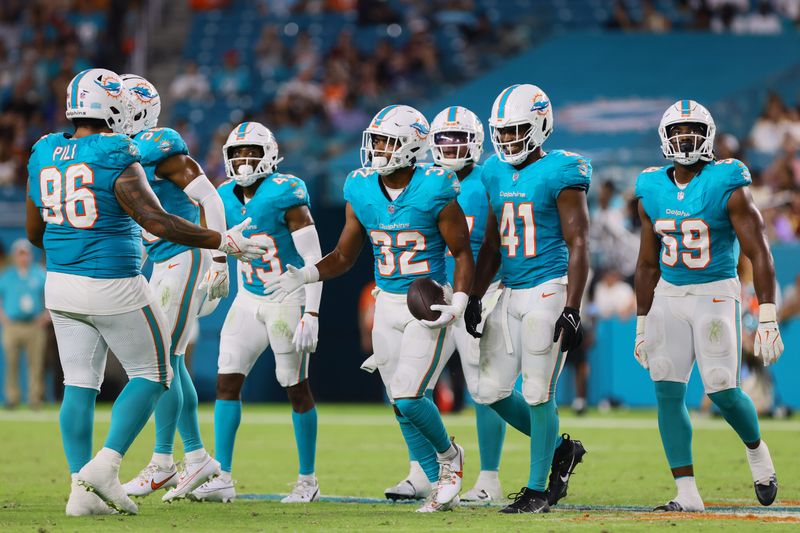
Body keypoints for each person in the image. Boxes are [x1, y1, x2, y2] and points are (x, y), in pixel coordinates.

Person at [26, 68, 266, 516]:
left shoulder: (43, 151)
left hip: (59, 284)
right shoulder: (119, 149)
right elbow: (154, 221)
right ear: (112, 105)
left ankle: (84, 492)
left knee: (78, 386)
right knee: (156, 373)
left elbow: (35, 232)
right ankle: (111, 466)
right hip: (115, 280)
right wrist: (221, 242)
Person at [265, 104, 473, 513]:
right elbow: (344, 254)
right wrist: (306, 275)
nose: (376, 149)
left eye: (385, 141)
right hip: (385, 302)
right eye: (375, 140)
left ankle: (451, 460)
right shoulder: (360, 186)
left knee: (412, 397)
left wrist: (461, 300)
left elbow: (462, 253)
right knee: (399, 401)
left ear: (411, 144)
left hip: (426, 302)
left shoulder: (436, 186)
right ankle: (434, 481)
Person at [634, 99, 783, 512]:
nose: (686, 140)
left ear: (709, 138)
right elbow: (646, 262)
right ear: (665, 139)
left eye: (694, 132)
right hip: (669, 292)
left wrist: (768, 314)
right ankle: (686, 493)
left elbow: (760, 251)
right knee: (666, 386)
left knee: (721, 386)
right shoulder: (651, 186)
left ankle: (757, 451)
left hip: (715, 290)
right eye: (678, 132)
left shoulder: (726, 180)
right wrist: (641, 322)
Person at [464, 84, 590, 514]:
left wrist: (573, 306)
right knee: (491, 390)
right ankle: (561, 450)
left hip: (548, 289)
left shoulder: (562, 171)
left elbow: (579, 243)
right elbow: (493, 245)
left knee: (538, 391)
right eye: (501, 131)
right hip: (510, 290)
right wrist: (475, 294)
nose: (508, 140)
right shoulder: (494, 172)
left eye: (517, 130)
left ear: (541, 124)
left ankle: (539, 489)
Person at [189, 122, 323, 504]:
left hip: (286, 296)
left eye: (252, 152)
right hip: (247, 298)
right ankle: (223, 476)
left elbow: (314, 259)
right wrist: (216, 266)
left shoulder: (287, 192)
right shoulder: (222, 196)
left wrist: (311, 312)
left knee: (295, 387)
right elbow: (213, 243)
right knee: (225, 383)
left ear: (271, 155)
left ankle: (307, 480)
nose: (244, 160)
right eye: (237, 153)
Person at [384, 105, 507, 503]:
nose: (450, 147)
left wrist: (480, 294)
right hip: (434, 296)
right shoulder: (421, 182)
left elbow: (494, 244)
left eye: (459, 139)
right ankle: (421, 470)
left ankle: (488, 478)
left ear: (475, 143)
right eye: (442, 140)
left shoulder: (488, 179)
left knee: (484, 386)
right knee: (408, 385)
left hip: (478, 294)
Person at [119, 74, 229, 502]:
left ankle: (164, 462)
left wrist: (219, 258)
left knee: (163, 359)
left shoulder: (160, 144)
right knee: (171, 360)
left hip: (187, 256)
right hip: (163, 260)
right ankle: (198, 459)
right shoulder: (122, 151)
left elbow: (212, 199)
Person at [0, 239, 48, 409]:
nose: (23, 257)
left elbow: (51, 295)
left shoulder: (39, 273)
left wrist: (46, 315)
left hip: (34, 325)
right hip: (12, 325)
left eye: (25, 253)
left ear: (29, 255)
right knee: (11, 363)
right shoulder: (6, 276)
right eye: (20, 254)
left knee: (35, 364)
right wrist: (3, 317)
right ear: (15, 256)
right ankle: (12, 398)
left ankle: (34, 399)